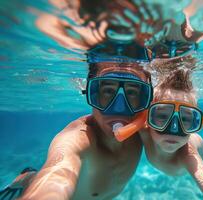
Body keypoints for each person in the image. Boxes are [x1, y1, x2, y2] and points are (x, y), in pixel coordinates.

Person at [11, 62, 152, 200]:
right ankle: (27, 177)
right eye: (108, 91)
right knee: (35, 179)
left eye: (132, 92)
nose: (119, 108)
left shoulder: (145, 128)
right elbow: (57, 174)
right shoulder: (77, 138)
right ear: (91, 93)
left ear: (144, 98)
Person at [139, 69, 203, 200]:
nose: (174, 128)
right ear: (148, 118)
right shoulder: (143, 130)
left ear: (195, 124)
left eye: (185, 119)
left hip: (200, 148)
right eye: (163, 116)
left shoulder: (188, 153)